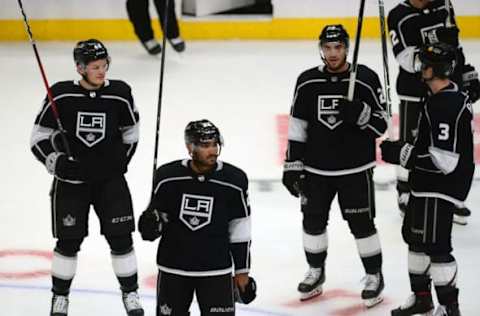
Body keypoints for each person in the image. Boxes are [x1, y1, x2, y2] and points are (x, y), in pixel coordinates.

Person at [30, 39, 143, 316]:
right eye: (95, 67)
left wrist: (119, 162)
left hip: (110, 183)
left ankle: (130, 293)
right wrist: (57, 164)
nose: (102, 71)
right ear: (80, 68)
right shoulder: (61, 95)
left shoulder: (120, 93)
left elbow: (131, 133)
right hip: (71, 185)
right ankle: (60, 297)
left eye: (104, 65)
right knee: (68, 242)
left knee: (121, 239)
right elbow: (38, 138)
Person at [282, 24, 388, 307]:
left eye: (338, 47)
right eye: (327, 48)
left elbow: (383, 124)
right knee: (312, 222)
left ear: (346, 48)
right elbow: (297, 126)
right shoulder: (307, 81)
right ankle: (316, 271)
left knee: (361, 224)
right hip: (316, 170)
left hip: (355, 169)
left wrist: (360, 113)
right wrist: (292, 163)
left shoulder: (364, 79)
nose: (332, 54)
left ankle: (374, 274)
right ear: (321, 48)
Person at [381, 42, 474, 316]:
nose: (420, 68)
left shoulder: (446, 104)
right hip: (425, 184)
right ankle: (422, 298)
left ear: (437, 69)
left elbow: (444, 161)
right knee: (415, 239)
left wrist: (402, 154)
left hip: (440, 188)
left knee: (436, 246)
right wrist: (405, 150)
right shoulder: (435, 97)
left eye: (424, 64)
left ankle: (448, 307)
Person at [138, 119, 256, 315]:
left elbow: (240, 229)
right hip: (173, 269)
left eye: (215, 144)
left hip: (216, 270)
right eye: (205, 145)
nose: (213, 151)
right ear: (189, 147)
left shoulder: (234, 181)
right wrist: (149, 225)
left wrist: (242, 272)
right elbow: (156, 222)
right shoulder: (167, 177)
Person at [387, 0, 479, 224]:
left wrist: (466, 72)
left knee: (454, 140)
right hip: (415, 89)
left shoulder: (444, 5)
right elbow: (407, 59)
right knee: (414, 139)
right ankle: (406, 190)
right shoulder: (398, 15)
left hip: (448, 88)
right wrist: (438, 50)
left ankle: (452, 194)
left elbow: (456, 46)